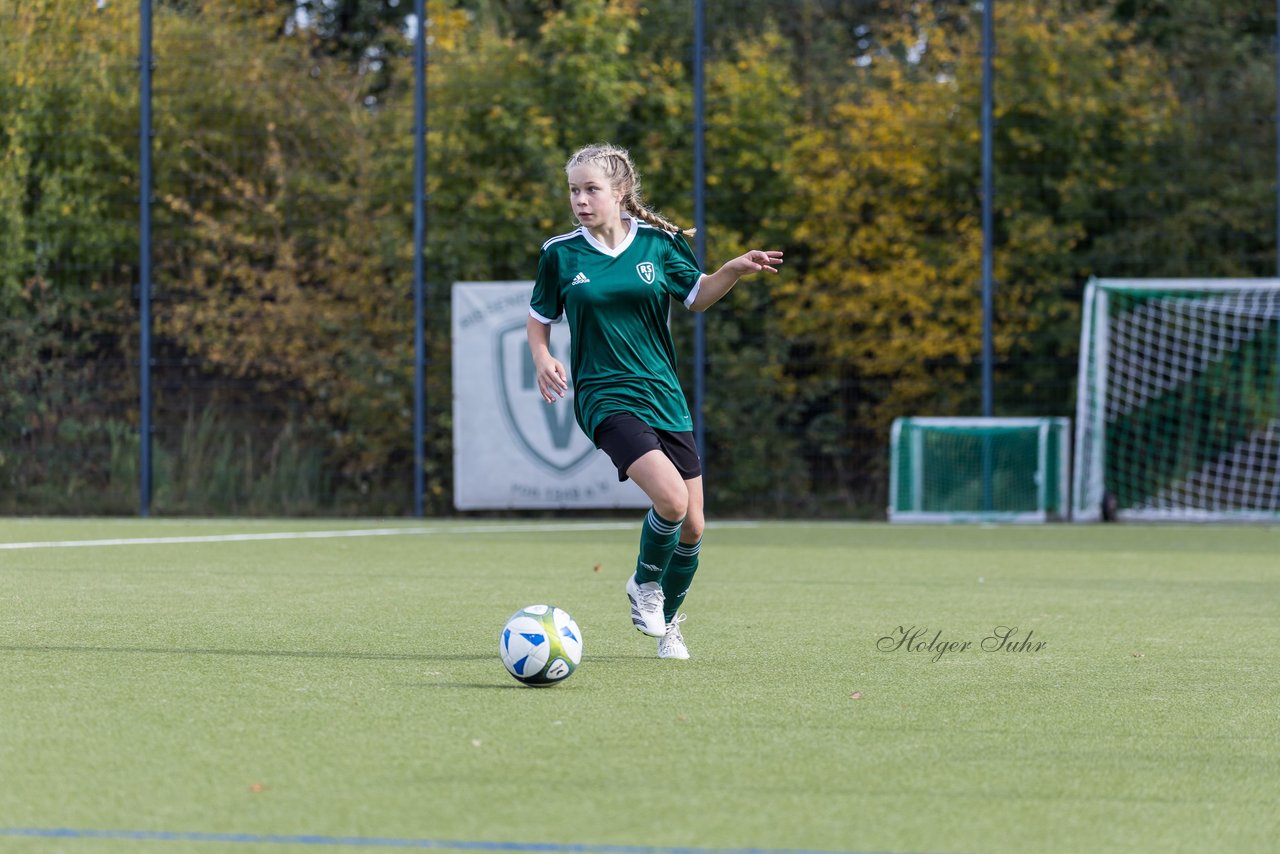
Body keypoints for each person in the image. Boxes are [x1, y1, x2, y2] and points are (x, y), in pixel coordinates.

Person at [526, 142, 783, 660]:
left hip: (663, 394)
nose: (580, 199)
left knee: (694, 524)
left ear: (620, 193)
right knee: (671, 500)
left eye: (591, 189)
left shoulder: (659, 245)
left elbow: (698, 297)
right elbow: (540, 316)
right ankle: (644, 585)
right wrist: (542, 356)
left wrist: (731, 269)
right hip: (606, 394)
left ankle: (668, 624)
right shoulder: (561, 252)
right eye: (574, 190)